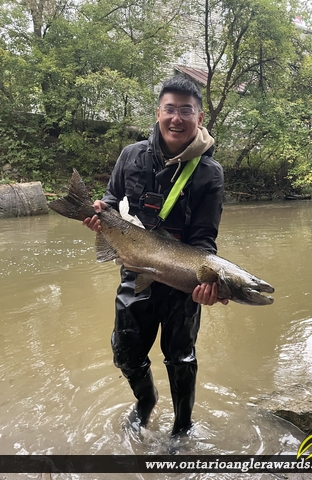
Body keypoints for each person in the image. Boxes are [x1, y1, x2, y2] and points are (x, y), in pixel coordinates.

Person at [83, 75, 227, 437]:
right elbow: (112, 201)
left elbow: (205, 238)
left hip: (183, 282)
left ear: (199, 116)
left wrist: (207, 282)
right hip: (135, 269)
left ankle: (182, 426)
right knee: (126, 355)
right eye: (170, 109)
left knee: (181, 358)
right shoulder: (132, 155)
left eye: (185, 110)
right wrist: (99, 212)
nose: (176, 118)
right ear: (159, 112)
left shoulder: (210, 173)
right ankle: (145, 402)